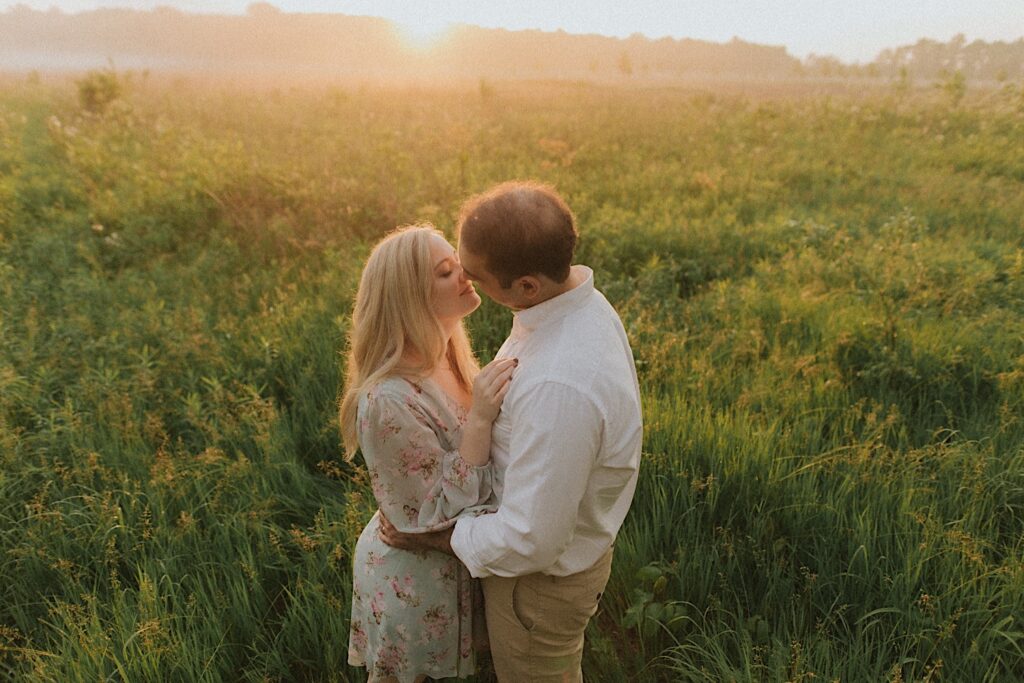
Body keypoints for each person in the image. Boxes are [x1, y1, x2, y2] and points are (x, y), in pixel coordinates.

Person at [380, 181, 643, 682]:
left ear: (526, 286)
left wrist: (441, 538)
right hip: (549, 566)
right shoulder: (576, 303)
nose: (463, 280)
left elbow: (532, 539)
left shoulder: (559, 386)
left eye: (475, 276)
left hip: (537, 588)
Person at [338, 225, 518, 682]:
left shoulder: (450, 356)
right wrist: (479, 419)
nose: (465, 273)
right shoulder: (388, 399)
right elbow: (427, 514)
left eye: (457, 264)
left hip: (462, 569)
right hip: (418, 590)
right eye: (446, 272)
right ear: (409, 297)